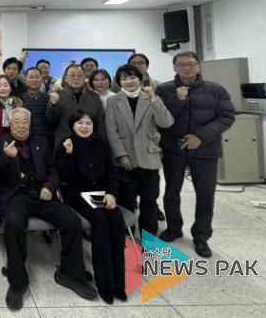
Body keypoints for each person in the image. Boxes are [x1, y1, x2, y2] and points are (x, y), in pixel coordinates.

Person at [0, 108, 96, 310]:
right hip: (15, 196)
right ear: (10, 124)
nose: (20, 126)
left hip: (42, 194)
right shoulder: (0, 142)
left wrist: (49, 186)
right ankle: (17, 282)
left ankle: (70, 274)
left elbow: (53, 170)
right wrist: (6, 158)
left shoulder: (42, 141)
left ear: (30, 124)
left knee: (71, 221)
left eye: (24, 122)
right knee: (14, 223)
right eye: (16, 122)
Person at [155, 52, 235, 258]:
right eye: (181, 64)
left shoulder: (216, 90)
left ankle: (201, 236)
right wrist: (177, 99)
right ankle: (173, 228)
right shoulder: (163, 90)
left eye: (190, 64)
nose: (186, 68)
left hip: (205, 149)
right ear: (174, 67)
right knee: (172, 192)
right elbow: (160, 118)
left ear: (198, 66)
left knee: (205, 195)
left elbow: (227, 117)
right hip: (174, 149)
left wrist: (201, 137)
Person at [57, 110, 126, 304]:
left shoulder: (101, 144)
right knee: (101, 222)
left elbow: (112, 173)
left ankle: (118, 284)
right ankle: (105, 284)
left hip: (100, 193)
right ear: (72, 125)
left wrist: (111, 193)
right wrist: (68, 154)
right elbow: (64, 176)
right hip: (76, 193)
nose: (84, 127)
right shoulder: (66, 144)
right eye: (80, 123)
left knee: (117, 221)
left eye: (88, 123)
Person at [105, 64, 173, 238]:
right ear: (119, 81)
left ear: (140, 79)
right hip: (125, 158)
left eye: (133, 77)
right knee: (126, 199)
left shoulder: (150, 97)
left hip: (148, 156)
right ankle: (126, 236)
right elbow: (111, 130)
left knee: (149, 199)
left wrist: (154, 99)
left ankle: (149, 238)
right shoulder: (113, 101)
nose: (129, 81)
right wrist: (121, 155)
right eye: (124, 78)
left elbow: (166, 122)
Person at [46, 64, 106, 153]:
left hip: (90, 146)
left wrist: (103, 145)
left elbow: (100, 124)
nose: (76, 78)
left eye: (79, 75)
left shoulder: (94, 97)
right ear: (66, 78)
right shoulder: (57, 95)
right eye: (72, 75)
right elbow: (51, 120)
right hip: (64, 146)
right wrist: (53, 105)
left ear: (85, 78)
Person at [21, 67, 52, 141]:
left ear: (41, 79)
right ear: (25, 80)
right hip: (26, 139)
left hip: (46, 138)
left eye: (37, 77)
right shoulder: (20, 98)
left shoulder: (49, 98)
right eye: (31, 77)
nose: (34, 80)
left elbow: (53, 119)